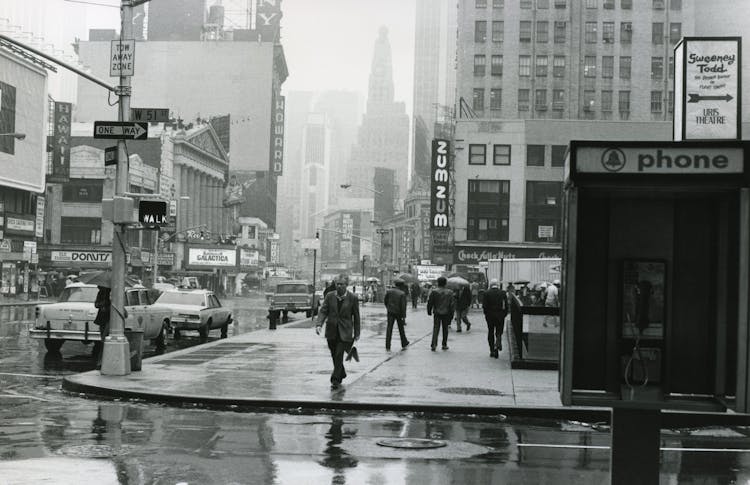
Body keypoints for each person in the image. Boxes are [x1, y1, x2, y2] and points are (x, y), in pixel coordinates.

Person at [316, 274, 361, 390]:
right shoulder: (330, 296)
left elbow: (356, 317)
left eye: (341, 284)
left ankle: (335, 379)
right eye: (337, 284)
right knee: (333, 354)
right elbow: (323, 311)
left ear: (347, 285)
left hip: (345, 332)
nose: (339, 286)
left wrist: (357, 334)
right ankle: (342, 372)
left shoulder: (353, 298)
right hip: (331, 330)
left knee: (339, 354)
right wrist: (319, 325)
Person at [427, 276, 455, 351]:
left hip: (437, 312)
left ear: (438, 283)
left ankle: (434, 344)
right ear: (445, 283)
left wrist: (429, 311)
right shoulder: (450, 292)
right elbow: (452, 305)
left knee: (436, 328)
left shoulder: (434, 291)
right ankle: (444, 344)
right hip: (446, 313)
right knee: (445, 329)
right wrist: (452, 314)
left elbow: (430, 302)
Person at [482, 279, 508, 358]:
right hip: (500, 315)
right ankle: (498, 341)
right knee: (499, 331)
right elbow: (506, 305)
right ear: (497, 285)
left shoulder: (486, 293)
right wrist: (504, 314)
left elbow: (484, 306)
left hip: (490, 315)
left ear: (490, 285)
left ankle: (492, 350)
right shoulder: (503, 293)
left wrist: (486, 314)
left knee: (490, 331)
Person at [384, 280, 409, 351]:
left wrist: (388, 308)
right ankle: (404, 342)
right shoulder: (402, 294)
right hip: (399, 313)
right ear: (401, 286)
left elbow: (385, 301)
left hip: (390, 312)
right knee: (401, 329)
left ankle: (388, 345)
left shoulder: (389, 291)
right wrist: (404, 317)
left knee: (389, 328)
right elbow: (403, 306)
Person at [93, 285, 111, 367]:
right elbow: (96, 304)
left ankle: (103, 359)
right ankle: (101, 360)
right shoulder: (100, 293)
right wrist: (101, 304)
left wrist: (107, 304)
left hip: (110, 318)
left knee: (105, 338)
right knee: (103, 338)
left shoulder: (111, 292)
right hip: (102, 318)